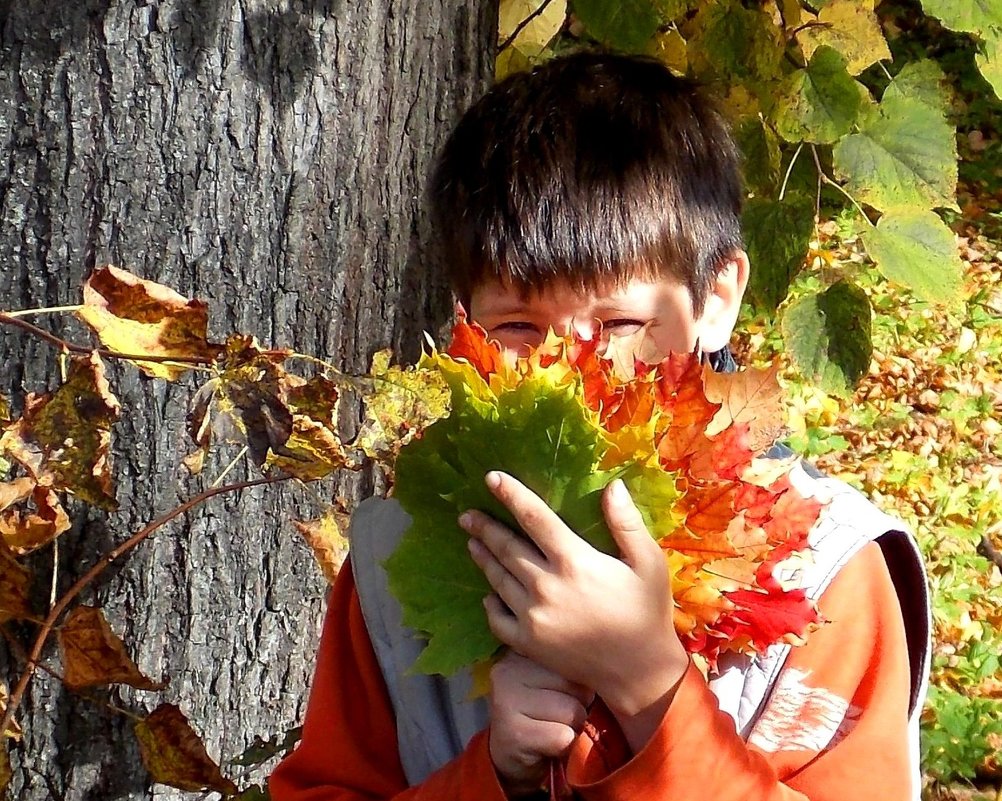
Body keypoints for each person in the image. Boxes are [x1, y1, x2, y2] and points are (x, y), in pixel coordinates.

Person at [269, 51, 930, 800]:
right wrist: (491, 775)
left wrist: (648, 685)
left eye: (617, 322)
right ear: (466, 319)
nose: (566, 367)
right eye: (518, 325)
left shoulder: (824, 568)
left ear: (715, 298)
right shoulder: (406, 552)